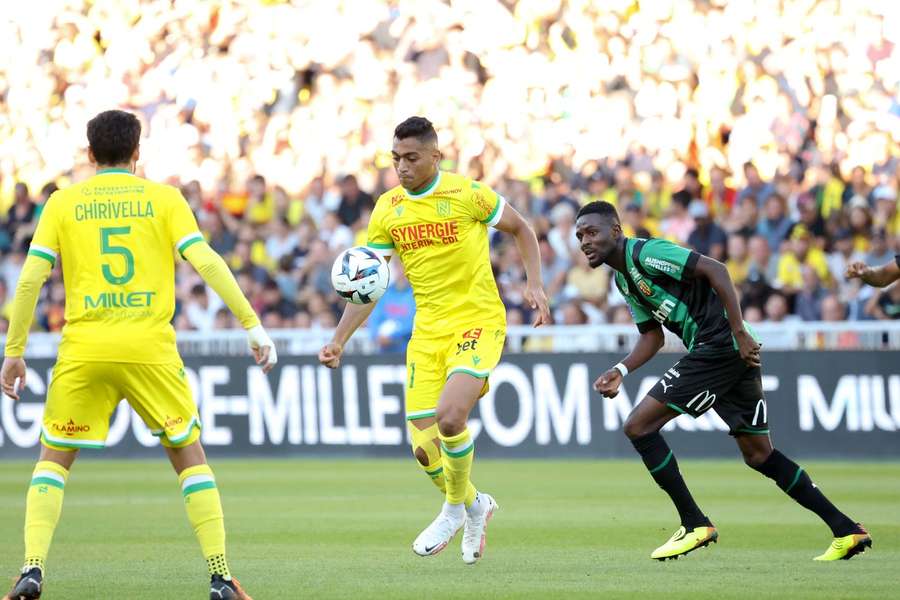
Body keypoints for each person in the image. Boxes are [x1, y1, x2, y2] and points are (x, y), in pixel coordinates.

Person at [0, 110, 276, 600]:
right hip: (149, 348)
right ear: (137, 153)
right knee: (189, 457)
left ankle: (32, 569)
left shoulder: (63, 203)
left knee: (53, 461)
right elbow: (206, 260)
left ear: (89, 154)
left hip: (85, 348)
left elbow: (30, 279)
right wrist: (251, 325)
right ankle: (220, 575)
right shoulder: (164, 199)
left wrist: (14, 351)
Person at [575, 200, 870, 562]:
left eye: (592, 232)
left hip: (719, 345)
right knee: (760, 455)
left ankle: (694, 522)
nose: (585, 241)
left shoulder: (647, 254)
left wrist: (738, 332)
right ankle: (846, 529)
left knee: (638, 426)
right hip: (727, 350)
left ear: (616, 231)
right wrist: (620, 370)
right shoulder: (623, 279)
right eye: (579, 236)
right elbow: (651, 336)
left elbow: (717, 269)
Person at [318, 116, 550, 564]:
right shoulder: (387, 208)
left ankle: (451, 511)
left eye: (411, 158)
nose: (402, 167)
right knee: (425, 451)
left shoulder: (468, 194)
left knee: (449, 418)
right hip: (427, 334)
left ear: (435, 156)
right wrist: (339, 339)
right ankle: (475, 505)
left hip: (477, 322)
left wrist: (534, 283)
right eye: (395, 159)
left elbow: (521, 228)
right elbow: (373, 283)